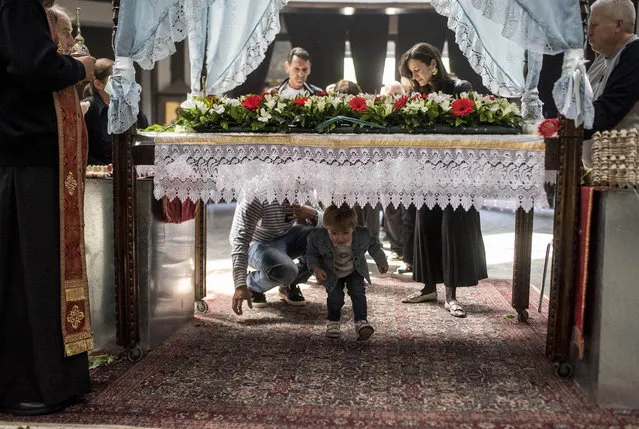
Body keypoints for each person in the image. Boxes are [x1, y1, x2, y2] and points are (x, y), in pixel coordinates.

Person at [0, 0, 95, 416]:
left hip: (37, 159)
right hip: (26, 159)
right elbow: (33, 68)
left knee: (46, 271)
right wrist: (81, 68)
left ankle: (56, 380)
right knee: (30, 272)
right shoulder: (16, 4)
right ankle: (28, 383)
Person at [398, 42, 488, 318]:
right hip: (427, 172)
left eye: (418, 70)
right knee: (425, 225)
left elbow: (472, 124)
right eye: (411, 73)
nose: (415, 77)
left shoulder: (461, 88)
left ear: (433, 64)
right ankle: (428, 287)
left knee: (452, 229)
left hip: (457, 173)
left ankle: (451, 295)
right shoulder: (417, 93)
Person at [306, 204, 388, 340]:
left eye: (345, 233)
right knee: (335, 297)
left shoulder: (362, 235)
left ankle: (361, 321)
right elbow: (311, 253)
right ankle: (333, 321)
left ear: (353, 228)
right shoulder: (317, 237)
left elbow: (374, 246)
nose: (340, 238)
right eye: (334, 233)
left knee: (358, 293)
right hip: (331, 272)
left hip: (354, 269)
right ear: (326, 228)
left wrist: (381, 260)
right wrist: (316, 268)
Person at [230, 199, 322, 315]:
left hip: (285, 236)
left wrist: (314, 214)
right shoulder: (255, 194)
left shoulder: (301, 185)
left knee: (324, 238)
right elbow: (240, 241)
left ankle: (288, 283)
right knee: (287, 271)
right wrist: (240, 284)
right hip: (254, 243)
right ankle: (252, 284)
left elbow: (329, 222)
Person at [584, 0, 639, 141]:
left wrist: (563, 126)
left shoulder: (635, 54)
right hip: (595, 160)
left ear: (618, 25)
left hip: (623, 160)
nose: (588, 32)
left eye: (594, 25)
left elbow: (609, 110)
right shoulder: (602, 59)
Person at [83, 58, 149, 165]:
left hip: (131, 173)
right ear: (98, 84)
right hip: (98, 177)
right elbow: (82, 153)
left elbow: (145, 141)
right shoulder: (88, 109)